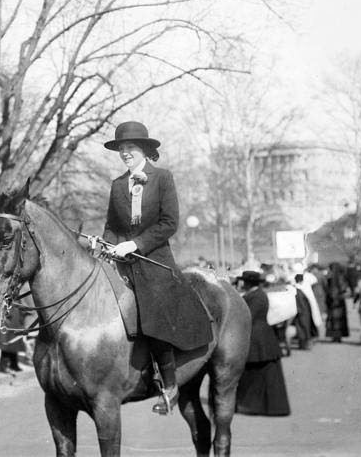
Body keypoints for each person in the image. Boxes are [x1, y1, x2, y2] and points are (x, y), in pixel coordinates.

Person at [99, 120, 212, 415]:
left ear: (145, 150)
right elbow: (111, 225)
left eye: (130, 148)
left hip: (155, 261)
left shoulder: (163, 178)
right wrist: (109, 245)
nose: (125, 153)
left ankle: (169, 384)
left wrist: (135, 245)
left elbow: (169, 223)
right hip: (122, 261)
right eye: (121, 148)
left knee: (154, 310)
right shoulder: (117, 185)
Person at [234, 270, 290, 416]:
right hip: (260, 338)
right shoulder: (255, 294)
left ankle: (255, 405)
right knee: (259, 374)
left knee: (258, 374)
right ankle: (254, 405)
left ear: (247, 283)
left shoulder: (257, 296)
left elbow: (248, 317)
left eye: (243, 281)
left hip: (258, 338)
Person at [324, 262, 350, 343]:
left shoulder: (331, 278)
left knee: (334, 319)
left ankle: (335, 336)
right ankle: (338, 336)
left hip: (334, 302)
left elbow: (328, 290)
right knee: (338, 320)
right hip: (338, 302)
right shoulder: (339, 277)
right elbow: (344, 290)